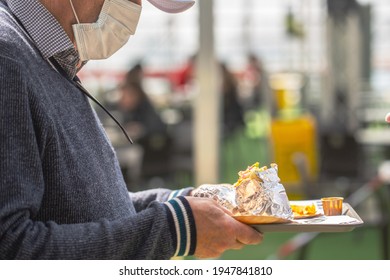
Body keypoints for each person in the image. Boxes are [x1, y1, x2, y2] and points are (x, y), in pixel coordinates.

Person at [0, 0, 263, 260]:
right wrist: (174, 229)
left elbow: (80, 207)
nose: (135, 10)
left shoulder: (46, 60)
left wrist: (181, 202)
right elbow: (11, 247)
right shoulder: (7, 56)